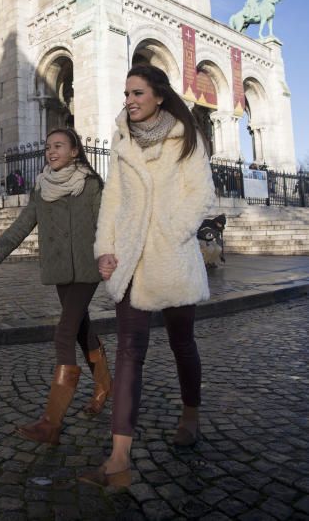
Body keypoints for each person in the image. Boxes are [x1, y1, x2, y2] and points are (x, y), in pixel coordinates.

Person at [79, 64, 215, 489]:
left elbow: (202, 194)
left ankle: (190, 412)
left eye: (137, 93)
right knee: (129, 353)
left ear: (158, 95)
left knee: (182, 343)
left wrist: (172, 233)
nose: (130, 100)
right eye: (126, 93)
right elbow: (113, 203)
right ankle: (119, 457)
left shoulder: (186, 139)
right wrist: (105, 249)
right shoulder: (122, 143)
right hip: (131, 261)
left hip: (172, 259)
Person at [0, 128, 111, 444]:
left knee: (63, 332)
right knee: (80, 329)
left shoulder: (91, 185)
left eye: (58, 146)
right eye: (48, 147)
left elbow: (107, 224)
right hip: (60, 268)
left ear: (75, 151)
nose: (51, 151)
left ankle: (51, 423)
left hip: (87, 267)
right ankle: (103, 386)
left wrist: (112, 256)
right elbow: (21, 225)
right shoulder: (41, 188)